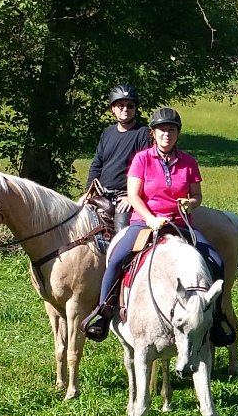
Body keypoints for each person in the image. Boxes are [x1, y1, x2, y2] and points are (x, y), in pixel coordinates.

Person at [85, 107, 225, 341]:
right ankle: (104, 312)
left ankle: (216, 318)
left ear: (177, 134)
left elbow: (197, 196)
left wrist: (190, 204)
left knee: (217, 262)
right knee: (117, 259)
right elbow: (134, 196)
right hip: (146, 223)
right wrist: (150, 218)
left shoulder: (189, 162)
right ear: (153, 133)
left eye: (171, 130)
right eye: (161, 130)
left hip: (180, 224)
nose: (166, 135)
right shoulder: (142, 159)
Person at [83, 85, 149, 232]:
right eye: (120, 105)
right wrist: (87, 193)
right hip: (101, 194)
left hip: (124, 198)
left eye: (130, 106)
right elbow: (97, 164)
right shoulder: (107, 133)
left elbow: (148, 170)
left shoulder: (143, 134)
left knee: (121, 233)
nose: (125, 109)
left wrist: (132, 198)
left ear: (135, 108)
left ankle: (124, 255)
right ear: (113, 108)